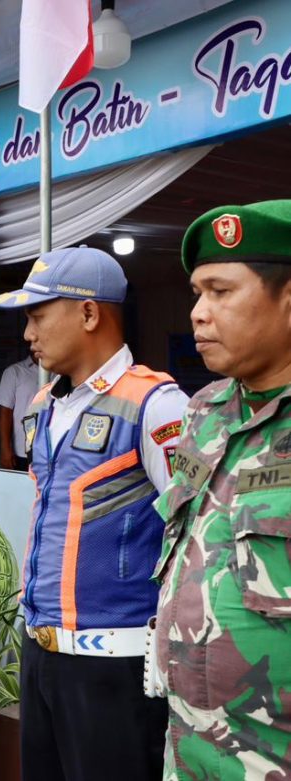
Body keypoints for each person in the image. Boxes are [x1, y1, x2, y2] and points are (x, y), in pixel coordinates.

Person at [0, 246, 189, 781]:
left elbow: (193, 535)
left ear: (88, 313)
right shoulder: (42, 406)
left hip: (114, 667)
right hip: (40, 654)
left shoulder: (157, 405)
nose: (27, 334)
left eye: (37, 315)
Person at [153, 202, 291, 780]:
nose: (198, 314)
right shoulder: (203, 411)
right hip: (191, 748)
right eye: (195, 292)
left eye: (220, 291)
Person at [0, 352, 40, 470]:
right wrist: (5, 449)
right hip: (22, 450)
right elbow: (5, 412)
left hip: (52, 450)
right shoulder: (15, 372)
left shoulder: (59, 373)